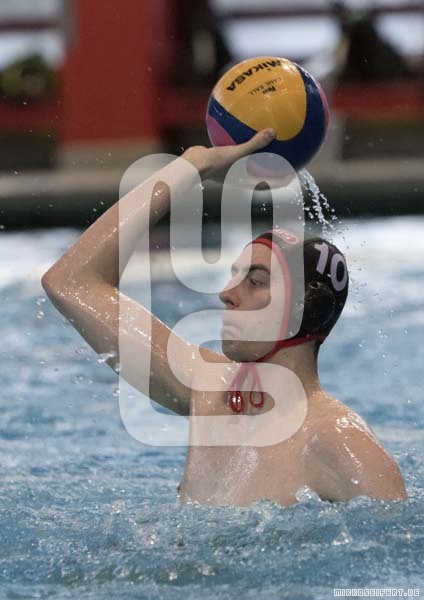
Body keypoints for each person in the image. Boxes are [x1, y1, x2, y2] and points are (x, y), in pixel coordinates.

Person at [41, 129, 407, 507]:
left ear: (305, 308)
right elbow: (70, 282)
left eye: (256, 281)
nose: (227, 293)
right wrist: (191, 167)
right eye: (234, 276)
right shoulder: (207, 389)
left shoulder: (339, 443)